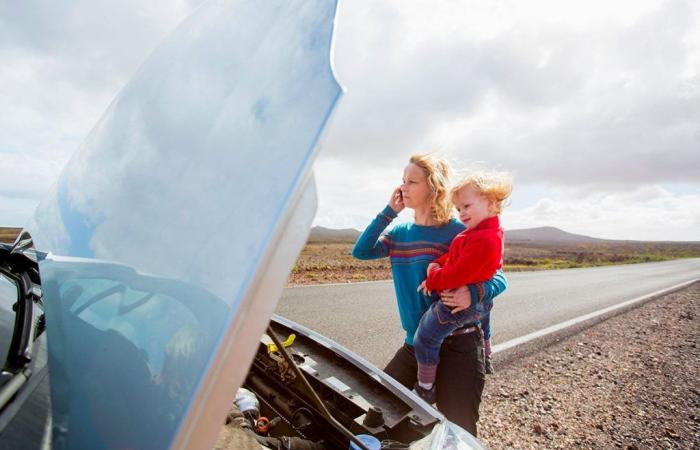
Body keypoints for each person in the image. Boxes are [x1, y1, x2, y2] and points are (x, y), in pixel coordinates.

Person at [352, 154, 507, 437]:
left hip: (459, 347)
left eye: (412, 182)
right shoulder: (400, 234)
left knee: (456, 432)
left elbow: (499, 276)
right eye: (403, 181)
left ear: (433, 188)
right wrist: (389, 210)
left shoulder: (459, 230)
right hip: (416, 345)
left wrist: (473, 292)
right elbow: (361, 251)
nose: (403, 187)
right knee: (375, 418)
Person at [414, 171, 513, 403]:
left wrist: (432, 280)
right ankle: (487, 353)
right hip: (480, 301)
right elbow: (457, 255)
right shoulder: (481, 232)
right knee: (485, 324)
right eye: (458, 208)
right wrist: (439, 262)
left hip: (455, 304)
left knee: (425, 338)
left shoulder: (483, 238)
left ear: (490, 203)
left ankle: (425, 388)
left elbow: (458, 273)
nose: (462, 213)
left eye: (466, 206)